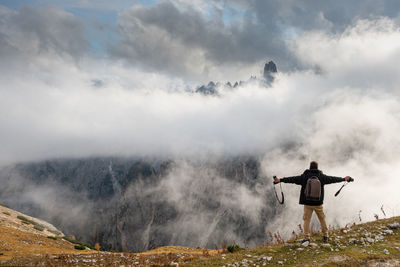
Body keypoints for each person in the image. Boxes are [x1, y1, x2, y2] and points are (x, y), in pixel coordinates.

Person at [274, 161, 351, 243]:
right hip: (318, 203)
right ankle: (326, 236)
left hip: (307, 203)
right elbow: (333, 179)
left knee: (307, 220)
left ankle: (307, 238)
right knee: (322, 219)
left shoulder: (304, 176)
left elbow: (292, 179)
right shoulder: (322, 177)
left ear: (310, 167)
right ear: (317, 167)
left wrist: (280, 180)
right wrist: (343, 179)